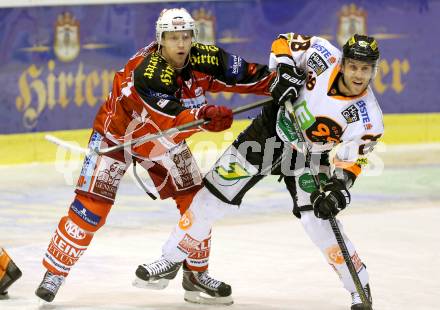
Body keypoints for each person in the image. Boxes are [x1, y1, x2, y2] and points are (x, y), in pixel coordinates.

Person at [35, 8, 276, 304]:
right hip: (118, 137)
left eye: (186, 36)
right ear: (161, 39)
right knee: (91, 207)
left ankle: (196, 275)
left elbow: (247, 74)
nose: (181, 44)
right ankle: (55, 272)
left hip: (162, 141)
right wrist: (203, 116)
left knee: (197, 201)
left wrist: (282, 82)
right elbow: (169, 119)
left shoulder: (204, 57)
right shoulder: (149, 72)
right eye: (173, 37)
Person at [136, 33, 383, 310]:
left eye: (365, 68)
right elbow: (283, 42)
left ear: (374, 70)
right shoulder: (322, 54)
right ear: (343, 62)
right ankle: (172, 257)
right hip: (269, 132)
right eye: (353, 66)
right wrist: (286, 71)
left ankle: (359, 288)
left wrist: (337, 191)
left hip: (309, 156)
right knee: (212, 195)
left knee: (319, 221)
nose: (358, 74)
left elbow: (352, 162)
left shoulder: (368, 118)